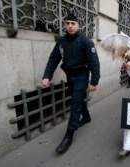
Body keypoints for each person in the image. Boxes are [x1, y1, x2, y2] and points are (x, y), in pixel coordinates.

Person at [42, 13, 100, 154]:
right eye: (67, 23)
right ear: (64, 25)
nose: (70, 26)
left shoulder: (86, 42)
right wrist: (47, 75)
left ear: (78, 25)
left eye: (73, 23)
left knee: (75, 104)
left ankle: (69, 135)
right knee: (77, 100)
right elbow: (54, 58)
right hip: (70, 76)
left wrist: (94, 81)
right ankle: (86, 117)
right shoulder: (61, 41)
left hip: (81, 76)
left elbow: (94, 63)